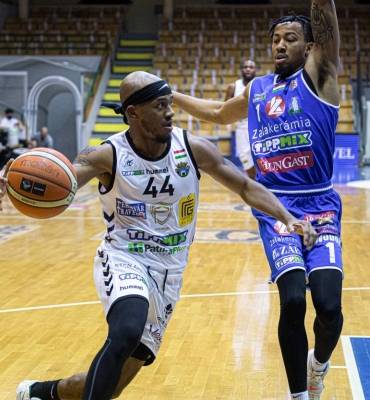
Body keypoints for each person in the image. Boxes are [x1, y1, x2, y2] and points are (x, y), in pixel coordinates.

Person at [0, 71, 316, 400]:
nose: (170, 112)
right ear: (133, 112)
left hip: (170, 272)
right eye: (160, 105)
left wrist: (288, 217)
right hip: (124, 258)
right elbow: (63, 183)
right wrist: (16, 179)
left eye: (169, 104)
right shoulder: (108, 155)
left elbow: (246, 187)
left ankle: (43, 392)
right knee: (126, 330)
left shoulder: (193, 149)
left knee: (112, 384)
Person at [171, 1, 343, 399]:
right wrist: (171, 95)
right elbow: (218, 112)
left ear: (310, 47)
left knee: (329, 307)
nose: (280, 45)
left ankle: (318, 365)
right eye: (275, 39)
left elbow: (327, 26)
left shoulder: (321, 77)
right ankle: (299, 394)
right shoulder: (258, 89)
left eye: (290, 39)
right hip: (274, 205)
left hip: (319, 205)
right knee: (294, 300)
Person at [225, 59, 257, 178]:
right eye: (245, 67)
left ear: (255, 70)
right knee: (247, 165)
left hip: (258, 128)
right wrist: (229, 123)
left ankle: (263, 186)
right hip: (241, 129)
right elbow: (225, 108)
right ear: (241, 70)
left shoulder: (259, 85)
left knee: (261, 162)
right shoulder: (233, 87)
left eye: (251, 67)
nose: (248, 69)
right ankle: (254, 185)